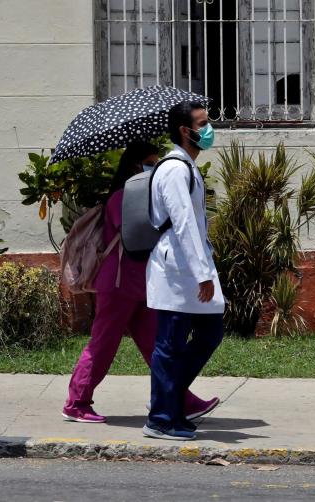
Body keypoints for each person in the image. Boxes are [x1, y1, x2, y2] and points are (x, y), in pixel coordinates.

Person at [63, 142, 219, 424]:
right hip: (119, 284)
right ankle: (77, 401)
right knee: (104, 343)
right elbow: (138, 236)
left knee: (157, 345)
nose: (154, 168)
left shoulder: (146, 196)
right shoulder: (121, 198)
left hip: (143, 284)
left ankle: (180, 398)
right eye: (150, 162)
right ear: (135, 166)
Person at [143, 101, 225, 441]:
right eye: (203, 123)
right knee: (170, 345)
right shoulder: (176, 169)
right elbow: (184, 224)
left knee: (210, 332)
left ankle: (173, 402)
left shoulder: (186, 168)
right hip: (178, 269)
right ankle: (161, 418)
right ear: (184, 131)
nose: (208, 130)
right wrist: (203, 272)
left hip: (187, 267)